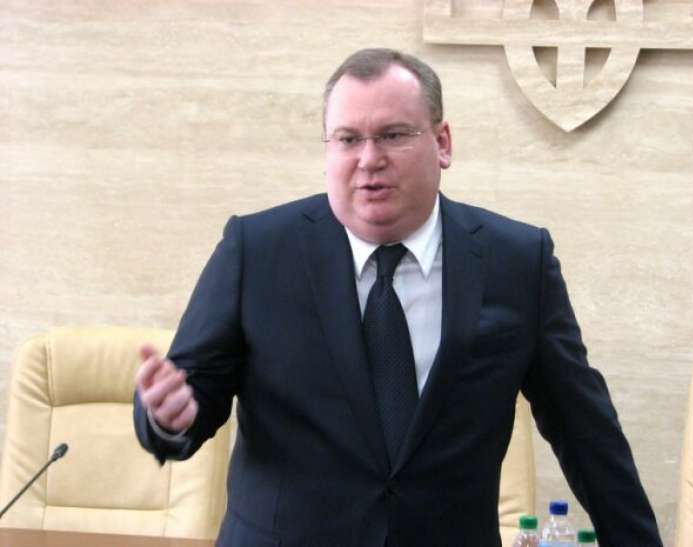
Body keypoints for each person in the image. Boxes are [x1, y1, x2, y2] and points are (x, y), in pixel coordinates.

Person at [133, 48, 662, 547]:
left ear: (443, 143)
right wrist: (167, 416)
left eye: (392, 135)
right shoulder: (257, 251)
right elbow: (188, 392)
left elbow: (584, 430)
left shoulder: (516, 261)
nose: (369, 159)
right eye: (347, 139)